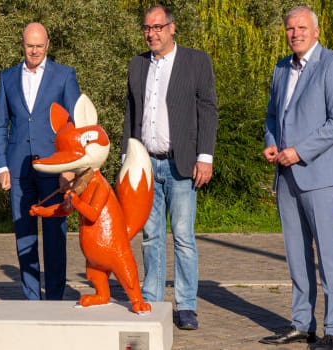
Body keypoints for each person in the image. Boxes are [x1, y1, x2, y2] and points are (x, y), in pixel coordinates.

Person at [259, 6, 333, 350]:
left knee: (329, 256)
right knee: (297, 255)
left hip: (323, 175)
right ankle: (302, 323)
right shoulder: (281, 68)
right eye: (289, 28)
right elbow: (272, 115)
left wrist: (299, 150)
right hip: (287, 177)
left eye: (301, 28)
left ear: (316, 31)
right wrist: (272, 143)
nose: (295, 33)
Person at [122, 5, 218, 330]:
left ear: (172, 28)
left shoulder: (195, 61)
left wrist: (205, 156)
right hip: (146, 164)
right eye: (147, 28)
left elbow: (208, 110)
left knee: (183, 236)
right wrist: (126, 160)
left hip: (182, 164)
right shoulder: (137, 64)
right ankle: (150, 298)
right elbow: (130, 114)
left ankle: (186, 305)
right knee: (150, 235)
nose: (152, 33)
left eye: (158, 27)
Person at [0, 22, 81, 300]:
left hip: (55, 169)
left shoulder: (64, 76)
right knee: (24, 236)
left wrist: (70, 168)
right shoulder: (7, 78)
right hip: (18, 170)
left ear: (48, 45)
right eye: (30, 45)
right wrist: (1, 165)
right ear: (22, 44)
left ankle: (54, 298)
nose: (34, 51)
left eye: (39, 46)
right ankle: (31, 298)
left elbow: (75, 126)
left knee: (55, 236)